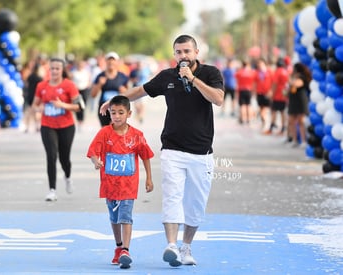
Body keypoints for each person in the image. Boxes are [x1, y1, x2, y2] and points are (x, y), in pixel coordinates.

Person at [100, 34, 224, 267]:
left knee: (196, 204)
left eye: (187, 51)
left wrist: (193, 79)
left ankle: (186, 246)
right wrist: (117, 101)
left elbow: (217, 99)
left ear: (196, 53)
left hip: (202, 152)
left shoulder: (210, 74)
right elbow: (141, 91)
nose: (183, 56)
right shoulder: (168, 76)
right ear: (174, 54)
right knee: (172, 197)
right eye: (178, 52)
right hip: (172, 149)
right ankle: (171, 245)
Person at [87, 95, 154, 269]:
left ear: (129, 114)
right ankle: (118, 247)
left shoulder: (137, 136)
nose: (116, 116)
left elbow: (145, 156)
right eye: (113, 112)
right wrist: (95, 161)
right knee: (114, 217)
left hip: (128, 186)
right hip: (109, 184)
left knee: (126, 215)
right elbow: (93, 151)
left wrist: (149, 177)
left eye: (120, 113)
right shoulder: (104, 133)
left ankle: (126, 249)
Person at [32, 57, 85, 201]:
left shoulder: (69, 85)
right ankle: (52, 190)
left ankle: (67, 177)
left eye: (57, 68)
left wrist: (63, 106)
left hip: (66, 126)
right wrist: (39, 108)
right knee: (51, 156)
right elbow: (34, 106)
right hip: (48, 125)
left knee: (64, 158)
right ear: (49, 70)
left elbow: (79, 106)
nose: (54, 71)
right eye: (52, 68)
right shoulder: (41, 86)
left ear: (62, 70)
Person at [90, 52, 129, 126]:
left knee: (116, 129)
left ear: (117, 62)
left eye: (113, 60)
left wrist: (124, 91)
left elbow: (129, 94)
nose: (111, 62)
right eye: (109, 60)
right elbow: (93, 95)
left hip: (119, 108)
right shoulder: (100, 76)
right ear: (106, 62)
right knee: (106, 131)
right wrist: (99, 84)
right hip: (104, 107)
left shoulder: (122, 76)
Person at [287, 62, 311, 147]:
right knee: (291, 120)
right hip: (293, 101)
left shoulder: (302, 77)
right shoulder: (295, 77)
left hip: (301, 101)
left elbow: (296, 84)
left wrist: (291, 80)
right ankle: (294, 140)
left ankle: (303, 140)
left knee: (301, 121)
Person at [265, 58, 289, 135]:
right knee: (282, 112)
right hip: (284, 94)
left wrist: (272, 93)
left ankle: (272, 127)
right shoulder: (286, 72)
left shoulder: (278, 72)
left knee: (274, 111)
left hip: (278, 95)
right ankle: (283, 128)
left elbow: (275, 84)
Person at [71, 60, 92, 129]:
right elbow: (71, 81)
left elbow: (89, 80)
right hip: (77, 90)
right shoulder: (74, 73)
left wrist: (88, 85)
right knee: (77, 106)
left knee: (83, 105)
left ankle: (82, 120)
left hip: (84, 90)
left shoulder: (86, 72)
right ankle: (79, 120)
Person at [23, 62, 43, 133]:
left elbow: (26, 85)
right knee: (36, 111)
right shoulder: (40, 78)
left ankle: (27, 127)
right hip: (37, 96)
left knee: (29, 111)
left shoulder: (30, 76)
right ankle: (37, 126)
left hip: (30, 95)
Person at [254, 58, 273, 131]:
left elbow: (273, 83)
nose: (259, 65)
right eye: (258, 64)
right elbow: (255, 83)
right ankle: (263, 123)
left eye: (261, 64)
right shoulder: (257, 73)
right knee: (261, 109)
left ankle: (266, 123)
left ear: (264, 64)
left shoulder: (269, 72)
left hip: (267, 93)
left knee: (265, 110)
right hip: (259, 93)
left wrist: (271, 91)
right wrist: (254, 93)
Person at [235, 60, 255, 124]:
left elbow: (236, 80)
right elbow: (254, 82)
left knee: (242, 105)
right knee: (248, 105)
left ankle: (242, 119)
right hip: (249, 90)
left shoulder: (239, 72)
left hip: (241, 90)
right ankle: (248, 119)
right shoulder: (251, 72)